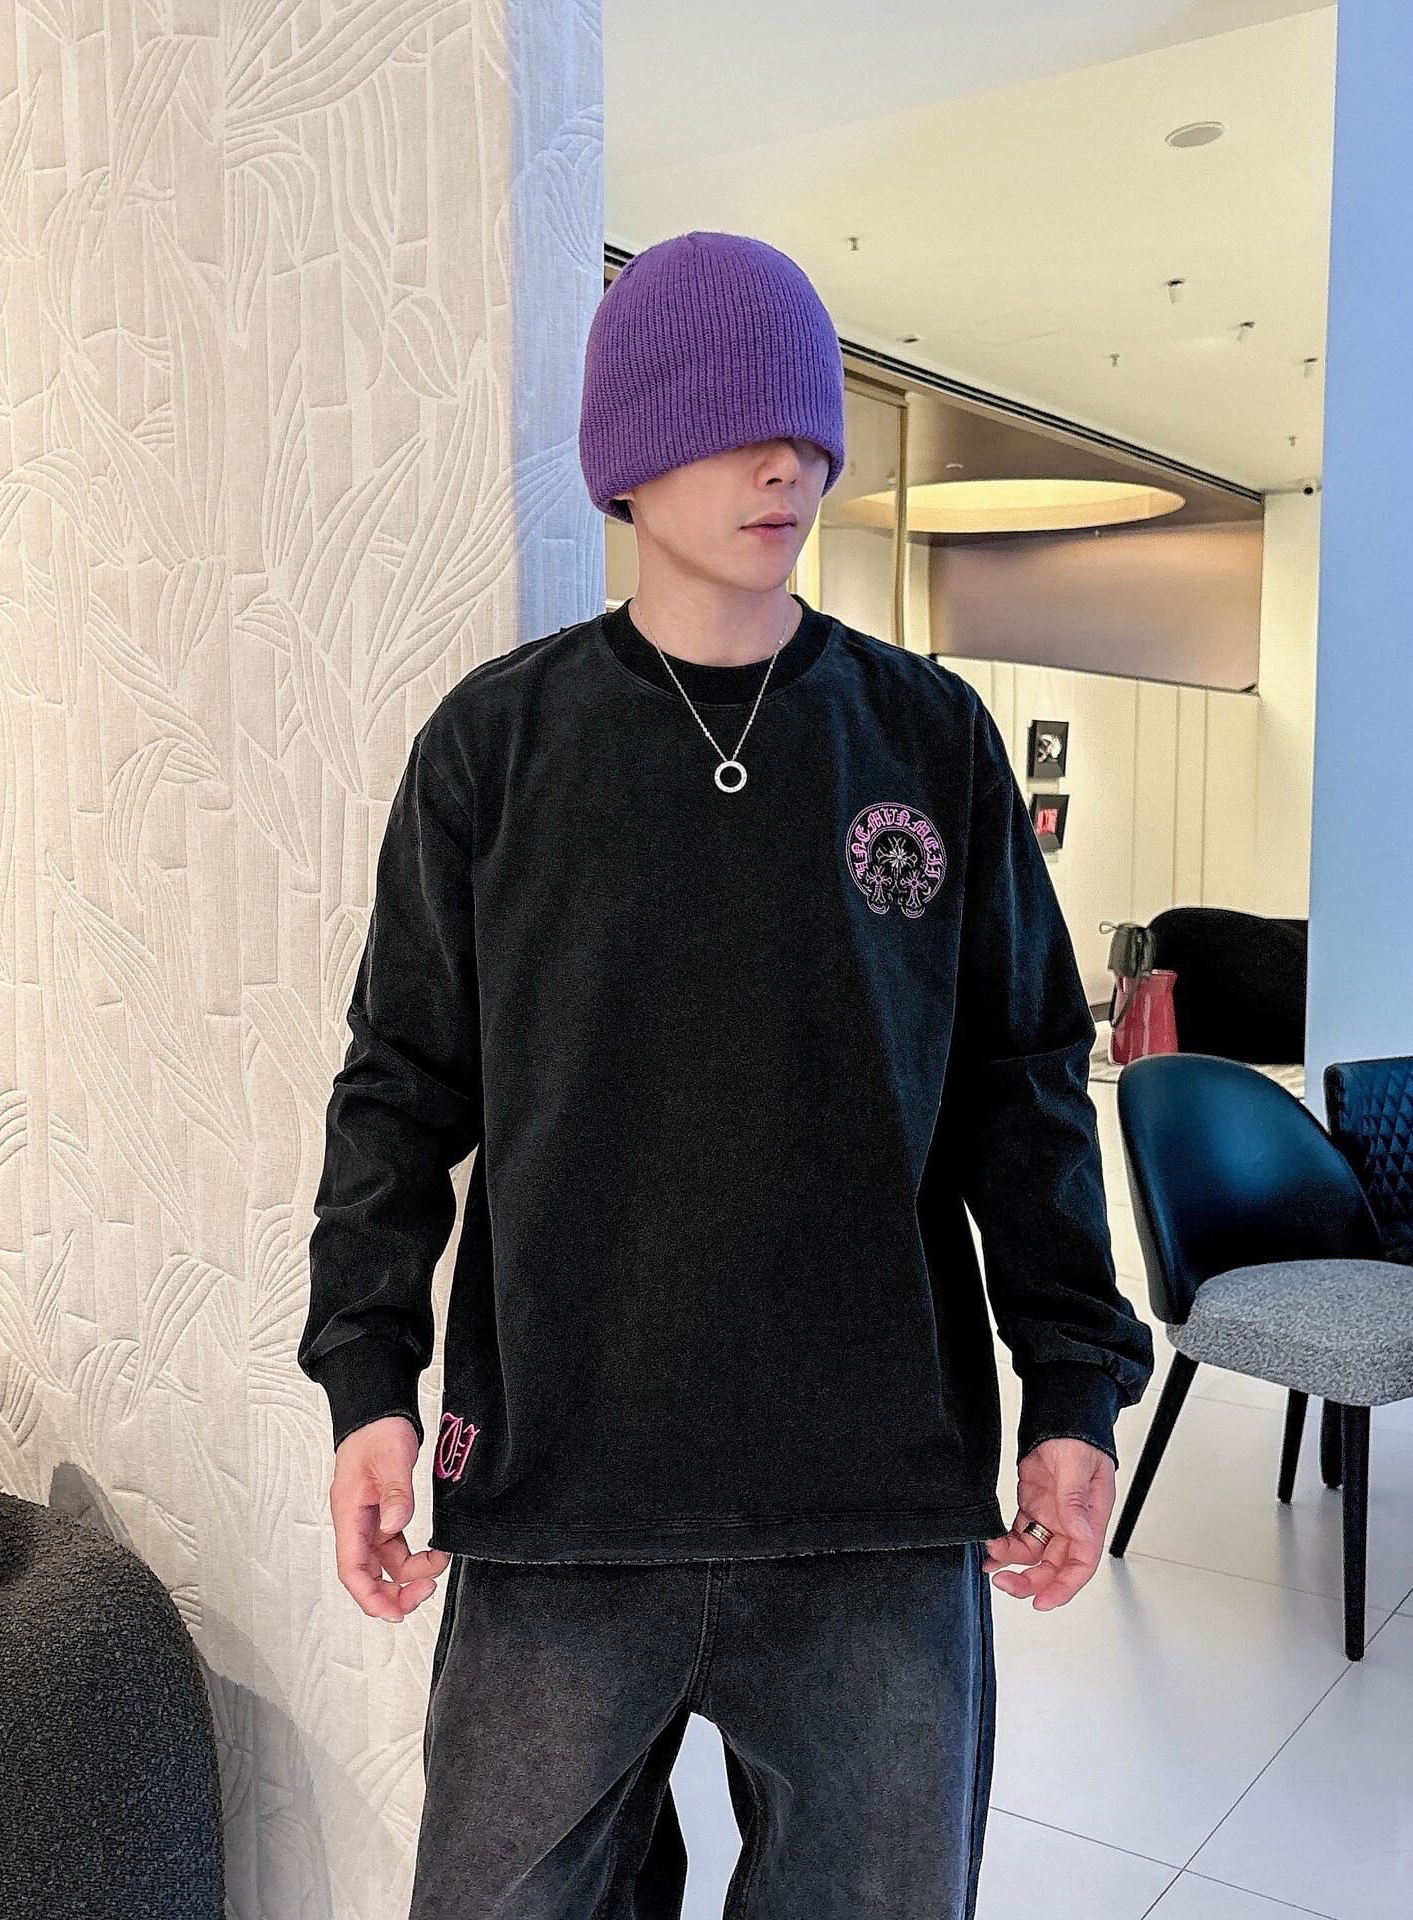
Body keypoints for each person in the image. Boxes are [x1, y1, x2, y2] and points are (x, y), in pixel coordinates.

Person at [298, 229, 1156, 1920]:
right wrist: (368, 1380)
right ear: (630, 454)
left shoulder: (927, 740)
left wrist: (1073, 1389)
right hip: (558, 1496)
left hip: (875, 1501)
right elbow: (398, 1088)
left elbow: (1025, 1087)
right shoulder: (498, 746)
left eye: (812, 429)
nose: (790, 465)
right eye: (738, 424)